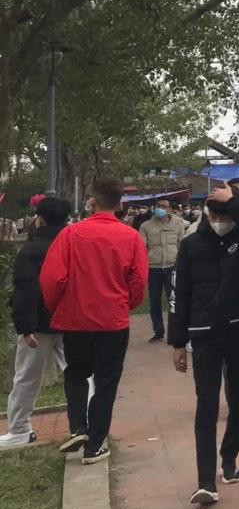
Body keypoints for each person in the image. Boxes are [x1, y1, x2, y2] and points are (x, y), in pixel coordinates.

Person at [170, 185, 239, 505]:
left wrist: (236, 203)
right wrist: (177, 342)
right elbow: (180, 295)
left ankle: (230, 458)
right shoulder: (191, 246)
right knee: (207, 405)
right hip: (204, 334)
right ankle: (205, 481)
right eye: (215, 215)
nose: (220, 222)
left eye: (226, 216)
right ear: (206, 214)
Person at [40, 177, 149, 464]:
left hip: (76, 318)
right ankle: (95, 443)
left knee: (76, 373)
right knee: (106, 381)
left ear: (92, 201)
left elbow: (52, 278)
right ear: (120, 203)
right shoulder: (131, 237)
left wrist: (58, 306)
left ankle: (78, 427)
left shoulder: (71, 234)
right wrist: (126, 304)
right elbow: (138, 281)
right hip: (113, 320)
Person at [1, 194, 72, 449]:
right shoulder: (74, 246)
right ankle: (87, 423)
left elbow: (27, 290)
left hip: (39, 324)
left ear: (39, 219)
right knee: (80, 374)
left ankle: (20, 428)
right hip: (73, 320)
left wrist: (25, 326)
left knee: (26, 377)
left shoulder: (31, 251)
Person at [139, 197, 186, 343]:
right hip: (154, 268)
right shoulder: (146, 226)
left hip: (172, 267)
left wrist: (181, 263)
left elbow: (182, 244)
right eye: (159, 206)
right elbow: (142, 248)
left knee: (173, 301)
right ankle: (158, 331)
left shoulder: (178, 223)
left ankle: (174, 332)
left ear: (170, 209)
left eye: (164, 206)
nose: (161, 208)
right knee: (154, 301)